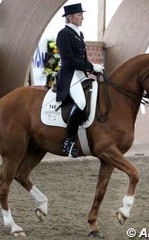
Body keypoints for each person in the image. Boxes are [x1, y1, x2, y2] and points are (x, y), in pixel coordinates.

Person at [56, 3, 104, 158]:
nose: (82, 17)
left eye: (81, 15)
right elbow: (69, 60)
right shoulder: (64, 34)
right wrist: (92, 66)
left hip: (81, 74)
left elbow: (82, 58)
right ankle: (68, 141)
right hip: (69, 75)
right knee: (82, 102)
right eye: (79, 15)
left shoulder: (79, 34)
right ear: (70, 18)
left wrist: (91, 69)